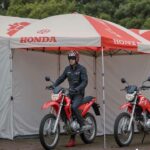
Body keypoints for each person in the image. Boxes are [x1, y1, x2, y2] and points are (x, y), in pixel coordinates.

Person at [53, 50, 88, 147]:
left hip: (79, 94)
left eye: (73, 58)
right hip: (70, 93)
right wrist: (54, 85)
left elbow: (85, 82)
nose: (71, 60)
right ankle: (69, 125)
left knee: (73, 107)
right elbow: (61, 78)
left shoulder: (82, 69)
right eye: (70, 58)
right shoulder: (67, 69)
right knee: (64, 106)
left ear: (76, 59)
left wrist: (77, 89)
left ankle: (83, 124)